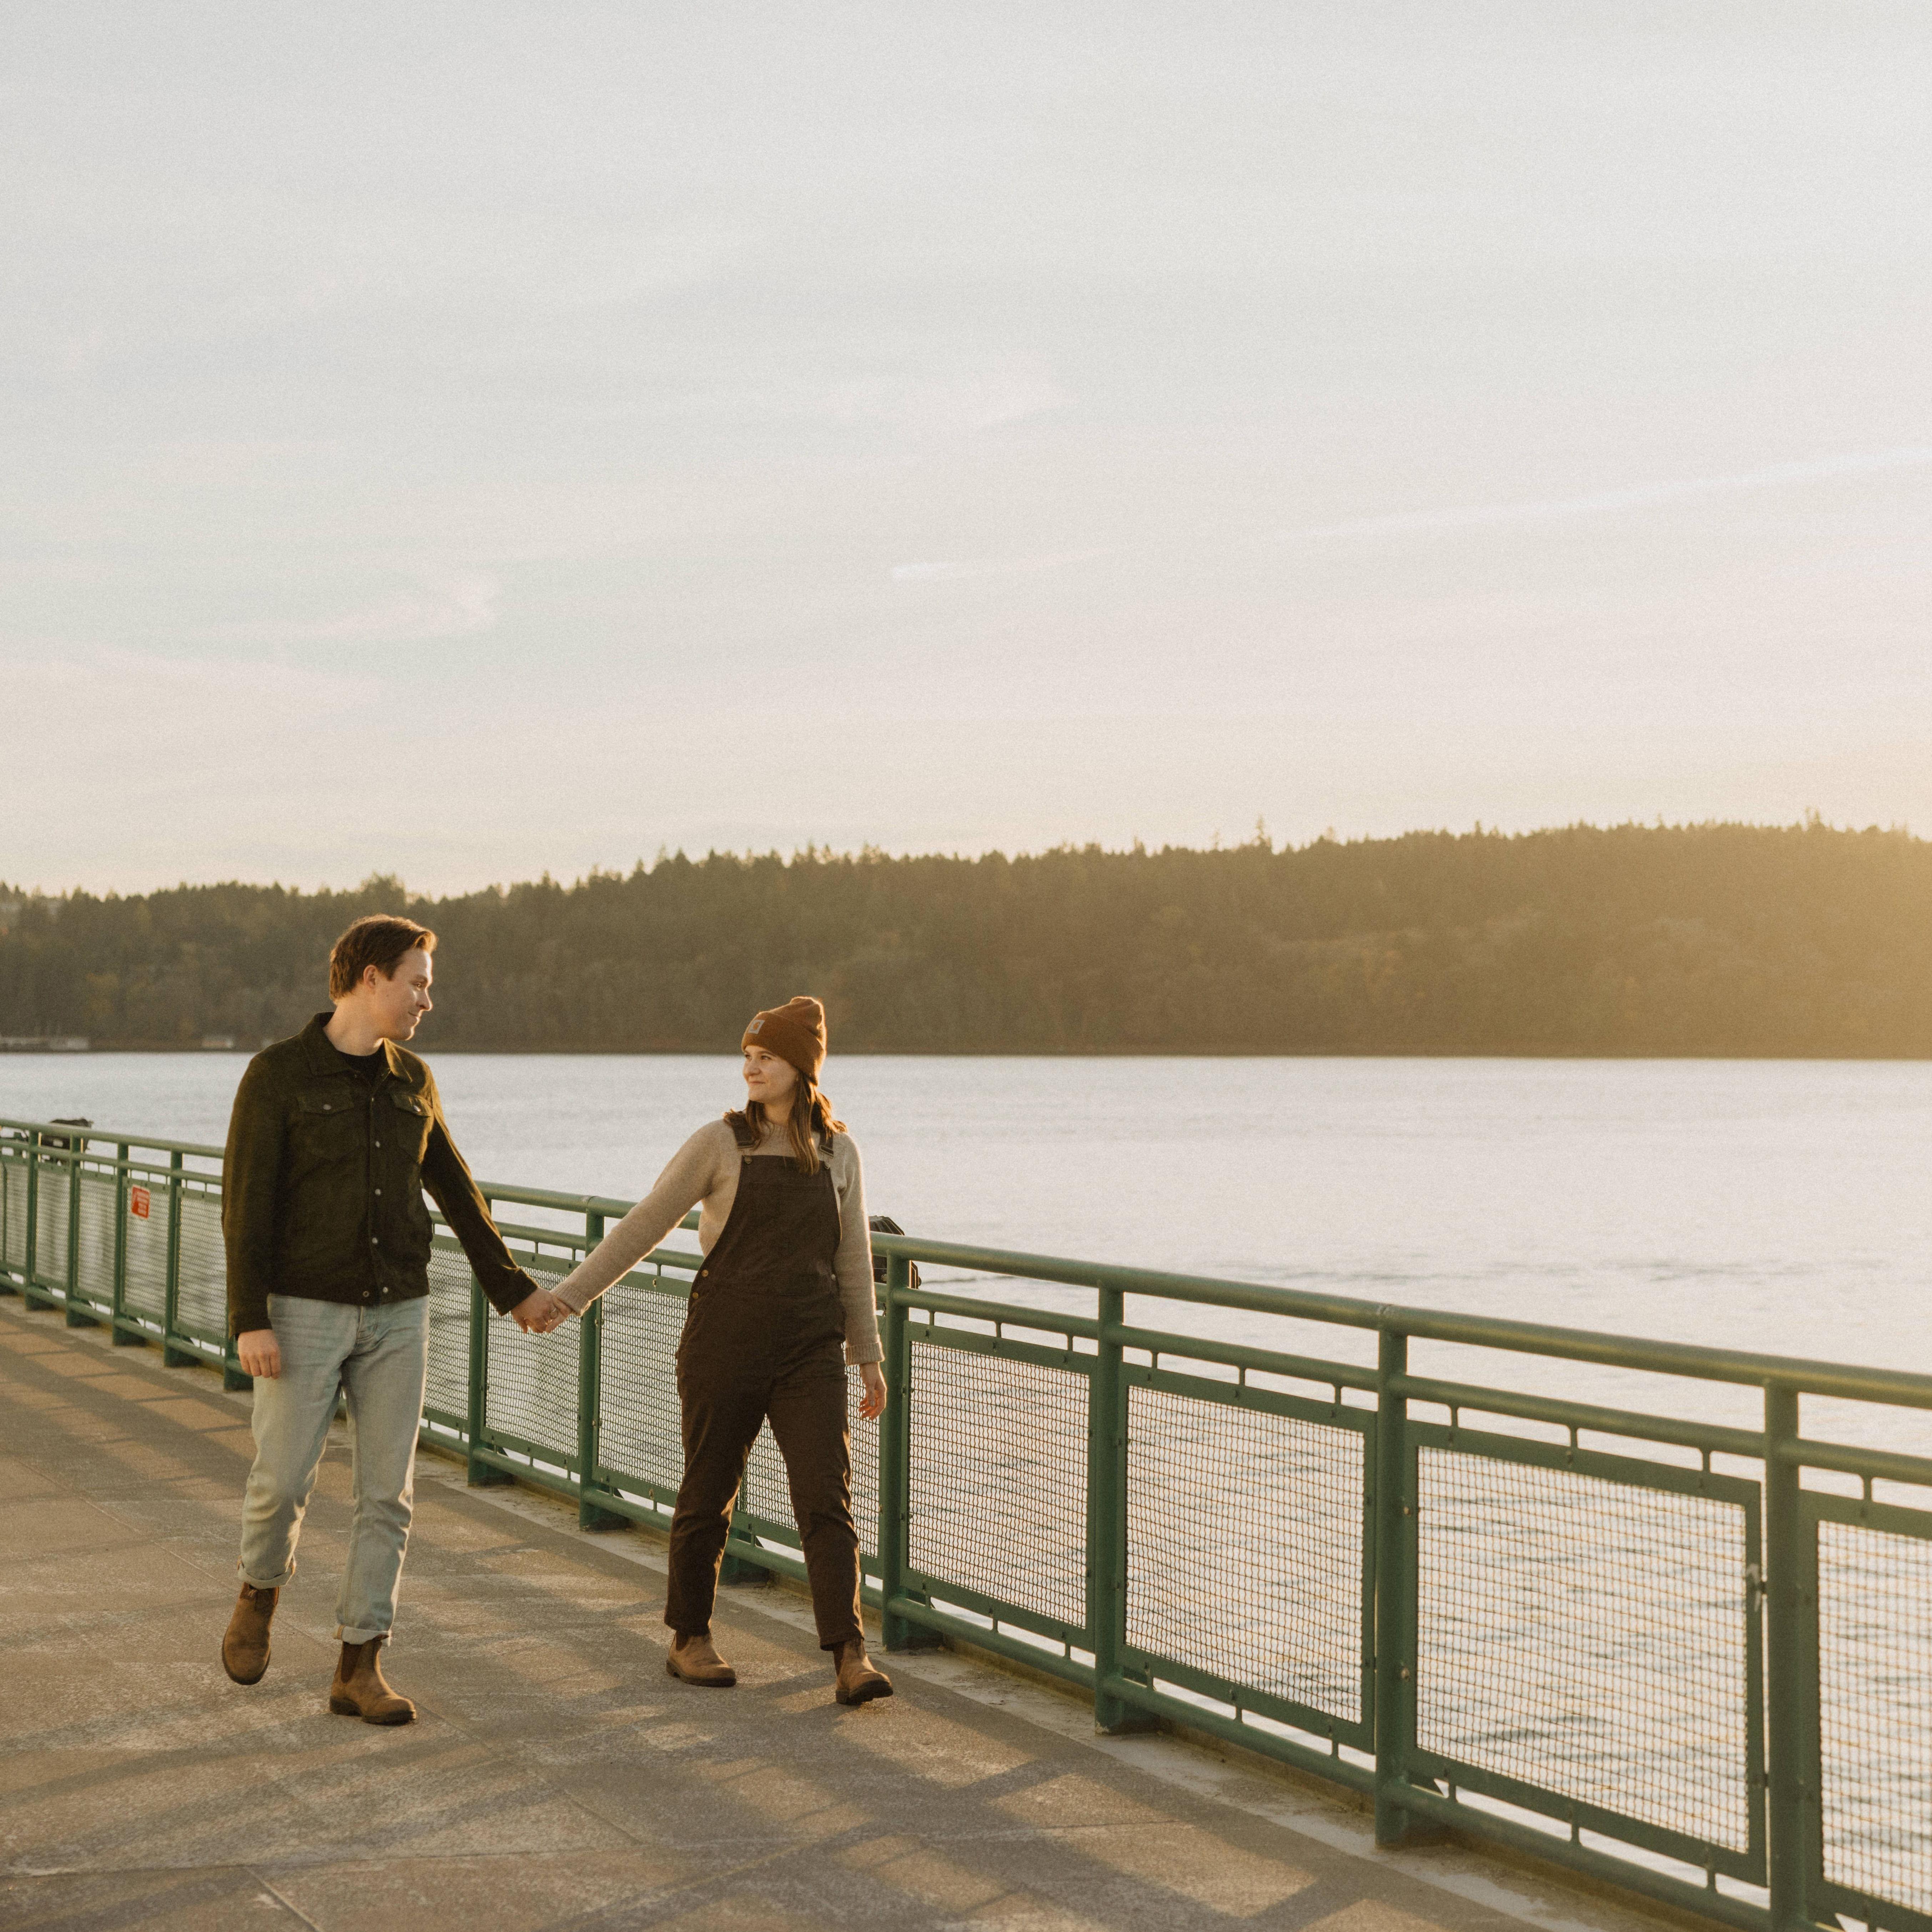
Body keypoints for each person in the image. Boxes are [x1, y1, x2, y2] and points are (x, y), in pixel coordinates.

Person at [219, 914, 566, 1721]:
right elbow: (247, 1205)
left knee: (389, 1496)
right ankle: (260, 1592)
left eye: (428, 986)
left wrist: (513, 1290)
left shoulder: (414, 1079)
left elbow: (456, 1187)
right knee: (281, 1484)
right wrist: (249, 1318)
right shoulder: (277, 1077)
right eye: (417, 982)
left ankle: (359, 1663)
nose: (425, 1001)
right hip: (301, 1313)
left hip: (399, 1313)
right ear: (369, 978)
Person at [541, 995, 893, 1706]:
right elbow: (644, 1225)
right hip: (724, 1342)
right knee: (709, 1490)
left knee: (827, 1499)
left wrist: (868, 1356)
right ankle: (689, 1637)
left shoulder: (839, 1153)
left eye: (766, 1057)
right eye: (748, 1056)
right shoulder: (719, 1143)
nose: (750, 1068)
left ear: (802, 1068)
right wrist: (571, 1296)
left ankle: (849, 1654)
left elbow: (853, 1258)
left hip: (810, 1350)